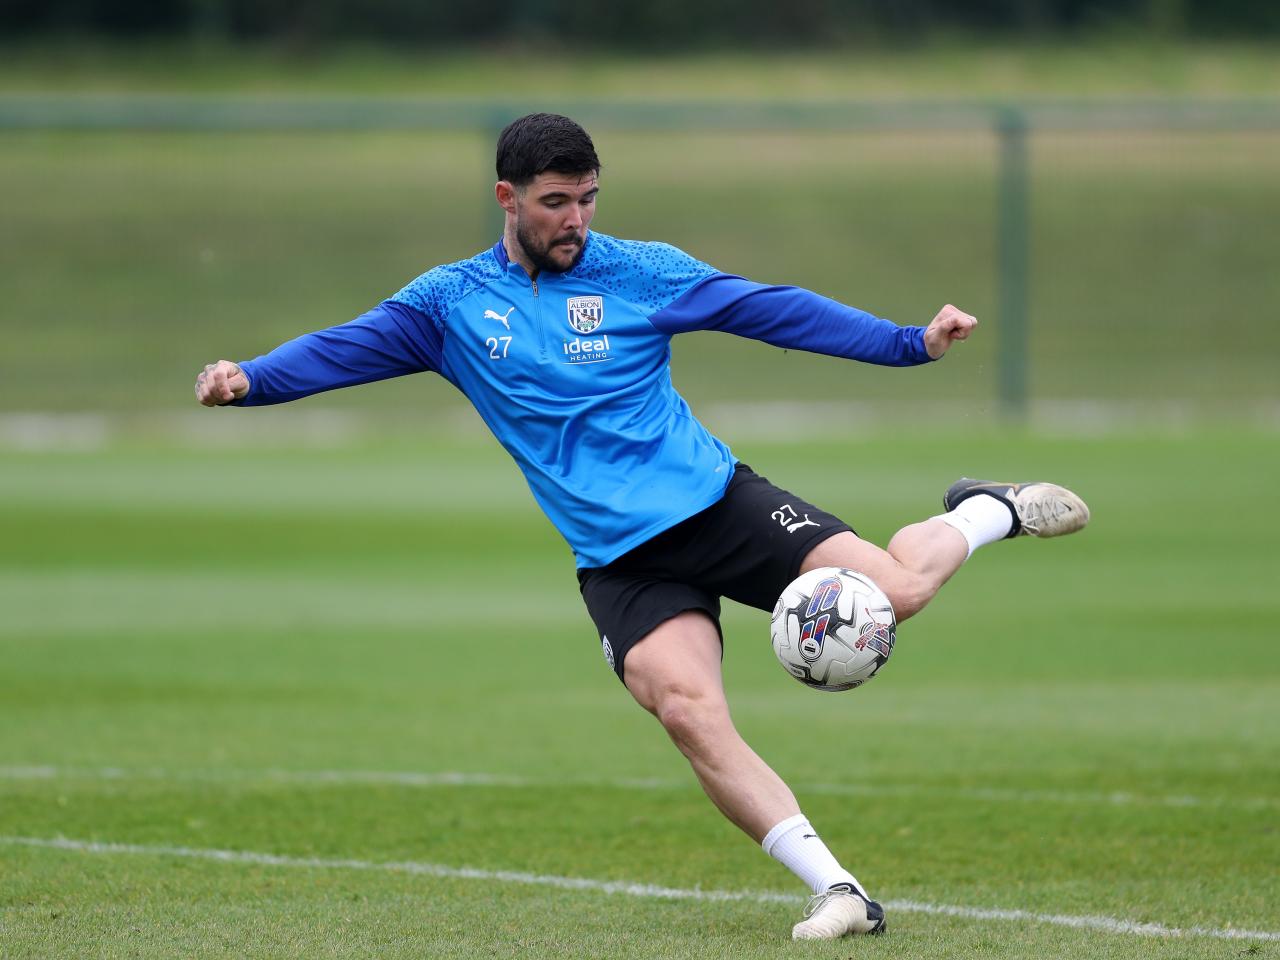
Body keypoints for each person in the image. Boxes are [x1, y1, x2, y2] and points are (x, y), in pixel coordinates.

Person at [195, 113, 1088, 940]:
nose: (575, 219)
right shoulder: (450, 305)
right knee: (688, 711)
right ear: (506, 197)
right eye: (555, 202)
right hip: (620, 561)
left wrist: (907, 342)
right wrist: (252, 379)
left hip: (719, 507)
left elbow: (771, 308)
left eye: (587, 198)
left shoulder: (641, 272)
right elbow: (345, 347)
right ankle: (841, 891)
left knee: (899, 592)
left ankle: (986, 509)